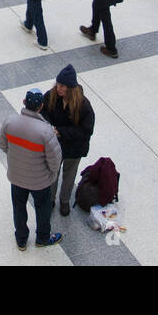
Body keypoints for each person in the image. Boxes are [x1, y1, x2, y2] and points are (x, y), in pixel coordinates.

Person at [0, 89, 64, 250]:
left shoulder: (10, 122)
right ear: (41, 106)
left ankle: (21, 240)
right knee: (43, 208)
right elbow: (55, 160)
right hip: (40, 181)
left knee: (19, 207)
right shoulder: (45, 130)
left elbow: (2, 145)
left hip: (16, 177)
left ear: (24, 102)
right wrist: (52, 174)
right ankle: (42, 238)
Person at [41, 65, 96, 217]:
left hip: (74, 148)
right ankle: (50, 199)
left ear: (70, 88)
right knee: (53, 172)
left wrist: (61, 131)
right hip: (55, 146)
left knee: (69, 175)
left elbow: (86, 130)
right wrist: (49, 124)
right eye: (57, 84)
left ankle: (64, 200)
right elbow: (43, 109)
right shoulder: (52, 95)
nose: (58, 88)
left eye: (62, 86)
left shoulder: (83, 105)